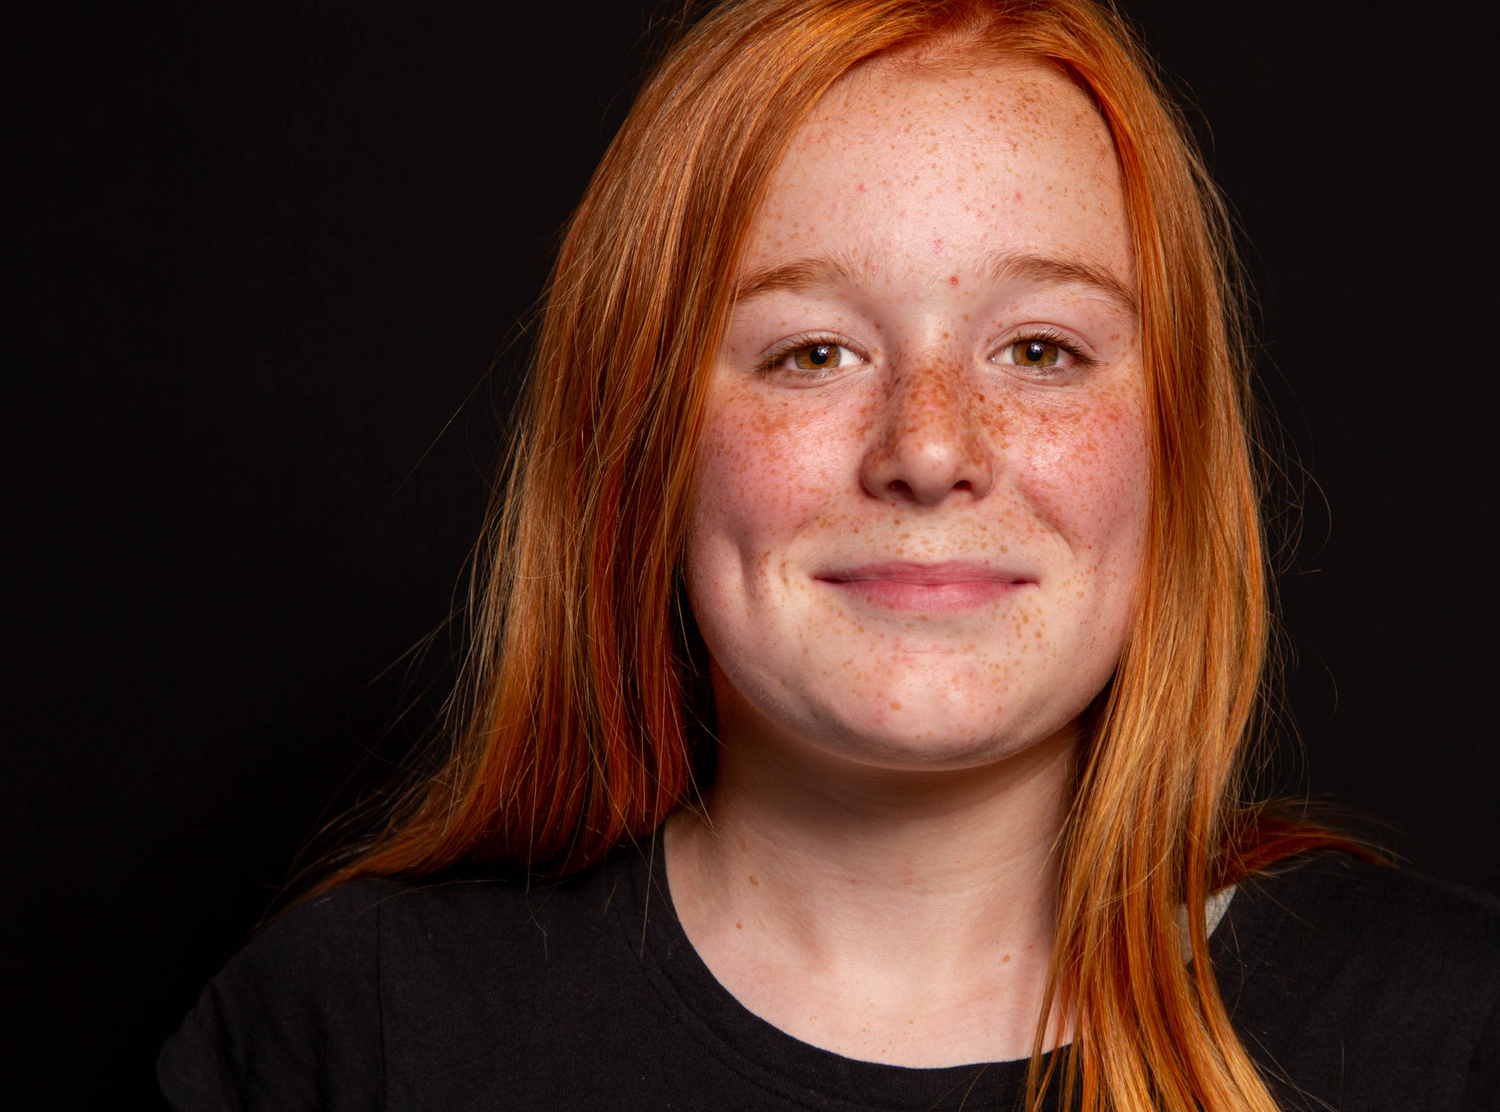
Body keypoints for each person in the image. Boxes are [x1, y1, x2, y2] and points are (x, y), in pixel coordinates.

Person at [158, 1, 1500, 1109]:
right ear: (643, 449)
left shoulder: (1453, 1039)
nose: (930, 446)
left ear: (1176, 450)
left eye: (1040, 349)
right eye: (812, 353)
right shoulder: (361, 1033)